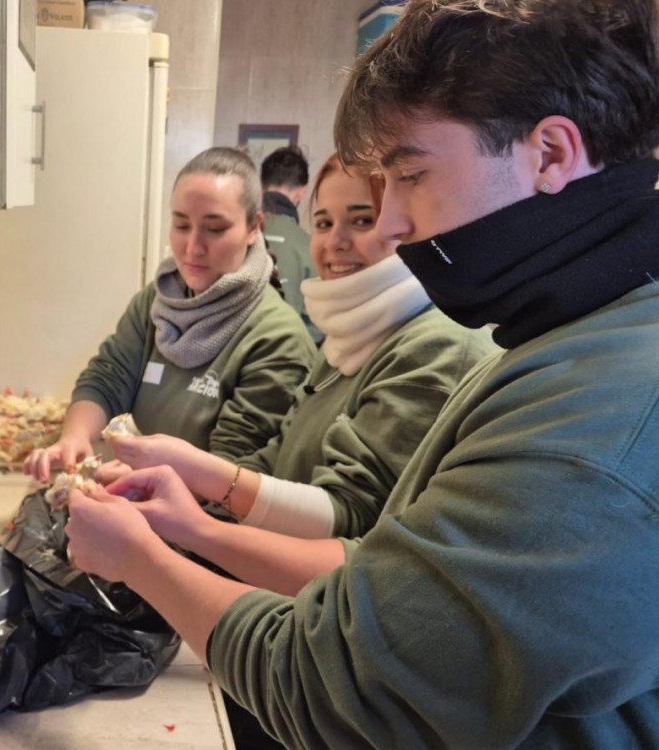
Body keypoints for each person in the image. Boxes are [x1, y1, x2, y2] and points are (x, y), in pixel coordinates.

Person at [64, 1, 659, 747]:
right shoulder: (561, 339)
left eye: (411, 176)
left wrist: (143, 560)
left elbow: (338, 690)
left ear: (550, 153)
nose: (390, 226)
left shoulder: (596, 420)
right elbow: (392, 582)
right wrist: (193, 526)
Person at [100, 154, 498, 585]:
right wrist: (172, 477)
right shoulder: (349, 336)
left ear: (409, 222)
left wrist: (193, 514)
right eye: (323, 223)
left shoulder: (436, 346)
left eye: (362, 220)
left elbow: (351, 515)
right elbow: (278, 457)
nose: (335, 242)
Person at [24, 147, 317, 483]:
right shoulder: (157, 301)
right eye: (181, 225)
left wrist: (137, 484)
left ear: (254, 227)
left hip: (200, 510)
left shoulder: (276, 339)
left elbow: (233, 478)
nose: (193, 247)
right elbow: (108, 377)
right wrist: (75, 437)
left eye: (215, 229)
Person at [259, 146, 321, 344]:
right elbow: (319, 326)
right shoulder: (310, 246)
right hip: (294, 352)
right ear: (301, 192)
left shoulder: (237, 237)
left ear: (261, 186)